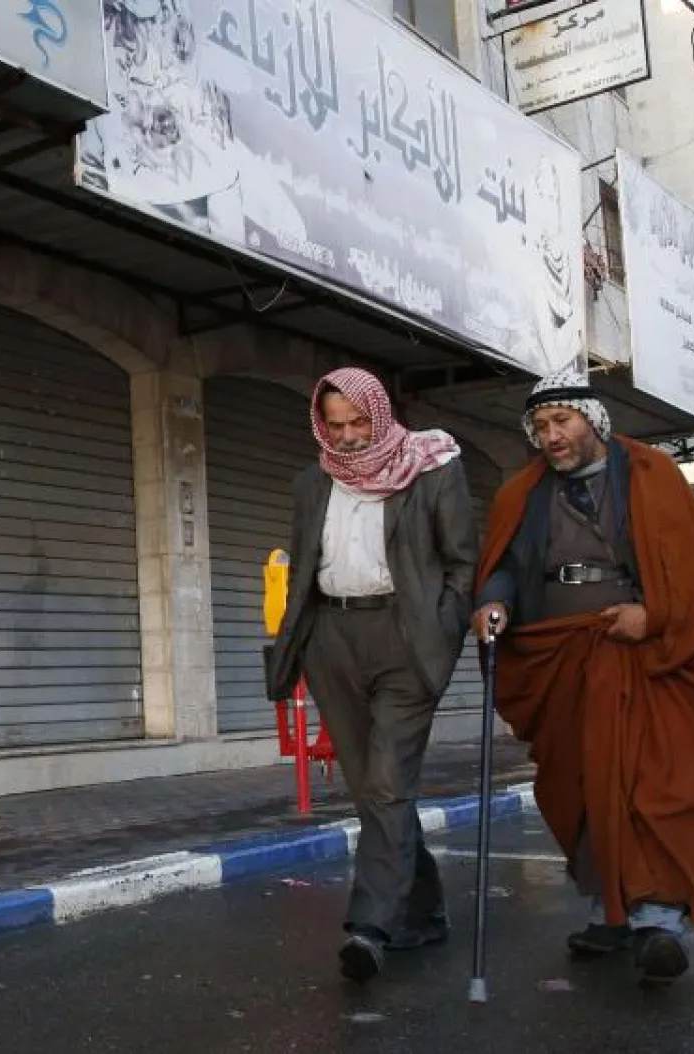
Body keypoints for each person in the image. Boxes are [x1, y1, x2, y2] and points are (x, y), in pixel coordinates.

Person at [471, 368, 694, 987]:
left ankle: (657, 920)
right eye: (540, 426)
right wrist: (494, 602)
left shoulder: (652, 474)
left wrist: (653, 617)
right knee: (585, 788)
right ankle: (612, 913)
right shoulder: (521, 494)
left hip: (649, 659)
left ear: (592, 419)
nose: (551, 435)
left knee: (657, 787)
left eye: (562, 420)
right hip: (564, 658)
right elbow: (506, 566)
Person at [266, 366, 478, 984]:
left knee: (386, 781)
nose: (349, 435)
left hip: (404, 635)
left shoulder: (431, 469)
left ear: (380, 414)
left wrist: (440, 630)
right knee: (372, 788)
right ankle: (423, 908)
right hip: (332, 641)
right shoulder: (311, 483)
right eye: (335, 425)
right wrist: (301, 644)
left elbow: (462, 563)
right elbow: (304, 567)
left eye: (359, 421)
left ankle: (371, 926)